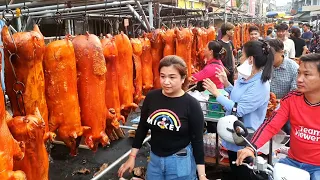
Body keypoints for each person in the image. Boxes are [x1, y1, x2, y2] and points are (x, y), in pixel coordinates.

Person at [118, 55, 207, 180]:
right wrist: (132, 157)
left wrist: (202, 175)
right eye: (162, 76)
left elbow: (197, 141)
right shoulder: (152, 97)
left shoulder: (191, 104)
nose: (166, 82)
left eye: (172, 77)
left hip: (179, 161)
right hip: (155, 160)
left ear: (183, 79)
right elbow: (142, 127)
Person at [236, 53, 320, 180]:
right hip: (292, 163)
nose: (299, 79)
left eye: (307, 74)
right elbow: (271, 125)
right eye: (299, 73)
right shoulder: (291, 99)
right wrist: (251, 147)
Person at [203, 40, 274, 180]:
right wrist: (226, 83)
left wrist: (217, 94)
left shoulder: (260, 85)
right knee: (235, 169)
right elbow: (237, 97)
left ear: (250, 59)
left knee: (243, 173)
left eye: (242, 55)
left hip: (245, 139)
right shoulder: (247, 79)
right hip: (235, 136)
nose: (240, 59)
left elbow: (238, 109)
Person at [267, 39, 299, 135]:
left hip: (286, 108)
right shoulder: (264, 65)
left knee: (288, 130)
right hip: (266, 106)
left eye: (271, 54)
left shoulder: (293, 67)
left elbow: (295, 91)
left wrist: (278, 102)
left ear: (281, 52)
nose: (268, 57)